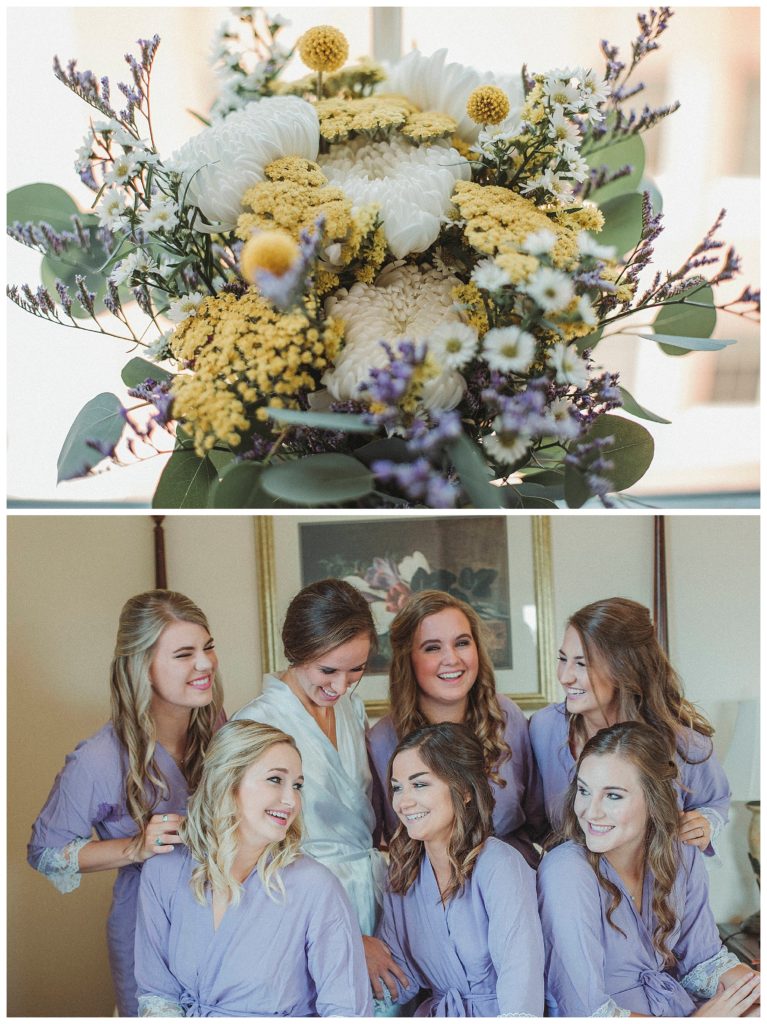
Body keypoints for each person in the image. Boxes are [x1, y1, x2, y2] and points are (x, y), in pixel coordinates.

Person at [28, 590, 224, 1016]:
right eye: (184, 653)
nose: (206, 663)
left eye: (208, 647)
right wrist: (135, 847)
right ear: (142, 666)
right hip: (148, 935)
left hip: (225, 923)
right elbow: (44, 854)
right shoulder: (98, 759)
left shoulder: (220, 731)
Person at [232, 578, 402, 1004]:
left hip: (374, 897)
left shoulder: (349, 708)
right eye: (328, 670)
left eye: (356, 670)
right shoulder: (255, 724)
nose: (340, 687)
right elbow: (249, 854)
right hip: (303, 910)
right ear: (296, 652)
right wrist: (346, 936)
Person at [134, 719, 372, 1017]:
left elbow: (347, 1011)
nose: (291, 800)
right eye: (276, 779)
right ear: (228, 781)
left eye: (297, 785)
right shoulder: (164, 872)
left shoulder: (316, 887)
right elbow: (157, 994)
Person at [537, 722, 760, 1018]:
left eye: (613, 795)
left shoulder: (680, 852)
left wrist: (756, 992)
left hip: (675, 1009)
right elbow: (586, 1011)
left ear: (653, 798)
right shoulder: (566, 873)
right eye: (584, 790)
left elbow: (702, 960)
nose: (591, 812)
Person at [530, 598, 730, 854]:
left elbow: (716, 802)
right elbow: (532, 819)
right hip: (572, 887)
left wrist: (706, 823)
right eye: (563, 659)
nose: (565, 676)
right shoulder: (544, 728)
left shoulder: (680, 743)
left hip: (657, 888)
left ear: (623, 668)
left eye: (581, 663)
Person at [375, 722, 545, 1016]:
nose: (403, 801)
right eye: (397, 788)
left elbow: (522, 977)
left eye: (419, 784)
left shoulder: (499, 865)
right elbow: (397, 983)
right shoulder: (404, 875)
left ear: (464, 790)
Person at [367, 590, 546, 868]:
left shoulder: (507, 717)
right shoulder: (381, 741)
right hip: (430, 893)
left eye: (462, 643)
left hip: (517, 878)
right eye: (432, 647)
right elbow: (374, 840)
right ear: (408, 659)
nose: (451, 659)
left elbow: (541, 821)